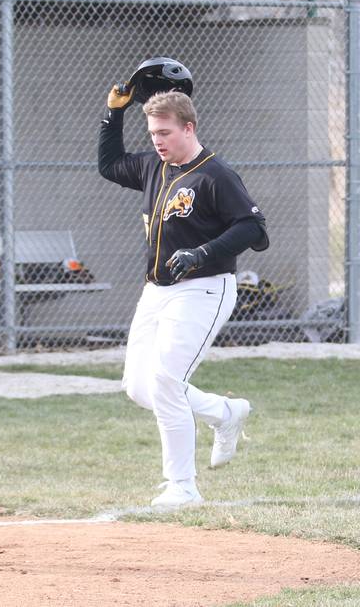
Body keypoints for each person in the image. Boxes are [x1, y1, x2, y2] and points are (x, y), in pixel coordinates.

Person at [98, 83, 269, 510]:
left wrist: (203, 252)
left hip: (204, 289)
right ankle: (223, 413)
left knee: (165, 382)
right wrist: (113, 113)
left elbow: (254, 229)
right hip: (156, 291)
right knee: (139, 387)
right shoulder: (154, 167)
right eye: (153, 133)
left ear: (188, 128)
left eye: (165, 133)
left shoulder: (216, 174)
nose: (157, 141)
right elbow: (109, 164)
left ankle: (183, 487)